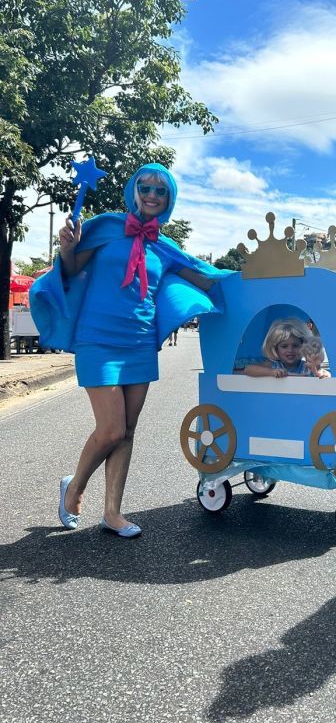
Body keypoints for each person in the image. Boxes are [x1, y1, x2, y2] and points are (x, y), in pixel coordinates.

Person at [31, 163, 228, 538]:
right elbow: (71, 270)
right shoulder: (105, 227)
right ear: (133, 191)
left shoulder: (165, 247)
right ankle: (74, 486)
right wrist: (67, 249)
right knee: (110, 429)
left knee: (128, 431)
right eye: (146, 187)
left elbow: (204, 276)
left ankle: (112, 513)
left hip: (139, 343)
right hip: (98, 339)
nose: (152, 195)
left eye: (161, 191)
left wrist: (249, 278)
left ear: (168, 200)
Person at [243, 317, 330, 379]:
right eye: (284, 346)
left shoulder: (307, 366)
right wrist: (271, 372)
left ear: (304, 347)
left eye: (295, 346)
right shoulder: (274, 365)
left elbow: (320, 373)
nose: (290, 350)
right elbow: (248, 369)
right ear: (276, 348)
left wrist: (324, 374)